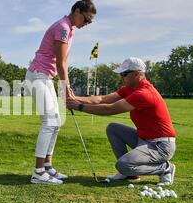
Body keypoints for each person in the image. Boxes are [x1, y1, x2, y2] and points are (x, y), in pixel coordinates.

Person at [66, 58, 177, 186]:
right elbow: (102, 99)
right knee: (113, 128)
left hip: (160, 146)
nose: (121, 77)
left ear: (137, 74)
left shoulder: (144, 93)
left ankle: (165, 168)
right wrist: (74, 99)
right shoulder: (129, 89)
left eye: (124, 74)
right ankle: (129, 174)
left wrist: (79, 107)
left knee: (122, 164)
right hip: (144, 140)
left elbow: (110, 109)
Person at [26, 0, 97, 185]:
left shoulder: (69, 29)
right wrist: (66, 88)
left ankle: (48, 167)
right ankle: (38, 172)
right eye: (86, 20)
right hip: (38, 75)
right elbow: (61, 63)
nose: (87, 24)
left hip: (45, 77)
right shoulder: (63, 28)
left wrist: (64, 87)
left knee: (56, 121)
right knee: (49, 121)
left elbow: (62, 62)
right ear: (77, 11)